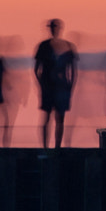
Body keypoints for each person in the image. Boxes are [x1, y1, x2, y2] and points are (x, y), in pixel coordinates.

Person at [33, 18, 77, 150]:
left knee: (58, 118)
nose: (54, 30)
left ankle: (55, 147)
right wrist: (41, 84)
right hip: (52, 86)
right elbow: (37, 69)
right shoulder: (46, 46)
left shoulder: (66, 46)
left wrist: (70, 86)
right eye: (52, 28)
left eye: (55, 27)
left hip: (59, 86)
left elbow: (73, 71)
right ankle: (47, 147)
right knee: (49, 117)